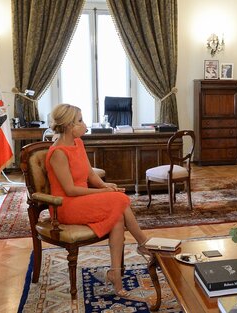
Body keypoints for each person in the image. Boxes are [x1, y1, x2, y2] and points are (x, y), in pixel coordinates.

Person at [46, 103, 151, 297]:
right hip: (65, 205)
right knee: (119, 200)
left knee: (118, 217)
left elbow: (90, 174)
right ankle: (143, 243)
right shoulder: (58, 152)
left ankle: (116, 276)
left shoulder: (78, 143)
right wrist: (103, 194)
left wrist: (104, 186)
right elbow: (69, 190)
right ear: (69, 125)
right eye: (80, 121)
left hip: (80, 200)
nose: (84, 124)